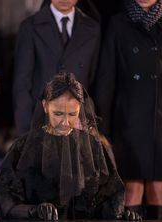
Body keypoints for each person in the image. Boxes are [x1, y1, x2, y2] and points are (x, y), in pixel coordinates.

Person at [94, 0, 162, 220]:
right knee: (131, 189)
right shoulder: (118, 24)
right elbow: (106, 81)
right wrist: (102, 129)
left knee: (159, 190)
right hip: (127, 123)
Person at [0, 72, 126, 221]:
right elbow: (6, 195)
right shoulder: (24, 148)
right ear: (45, 106)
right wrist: (32, 211)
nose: (65, 122)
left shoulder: (93, 147)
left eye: (72, 114)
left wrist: (119, 213)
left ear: (80, 108)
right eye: (58, 113)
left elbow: (110, 192)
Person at [13, 0, 101, 135]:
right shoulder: (30, 27)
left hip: (77, 123)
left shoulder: (92, 28)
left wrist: (90, 122)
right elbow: (22, 83)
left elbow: (93, 79)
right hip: (40, 121)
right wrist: (24, 130)